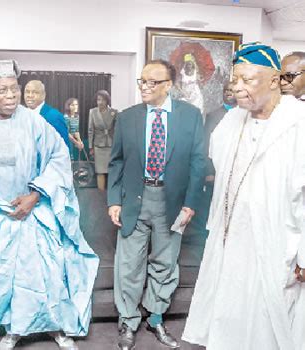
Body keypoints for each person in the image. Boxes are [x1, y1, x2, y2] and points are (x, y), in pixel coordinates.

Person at [0, 60, 99, 350]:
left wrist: (35, 196)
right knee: (3, 279)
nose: (12, 96)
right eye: (3, 90)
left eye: (15, 89)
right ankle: (14, 330)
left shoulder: (34, 121)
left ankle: (57, 327)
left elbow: (58, 158)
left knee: (48, 273)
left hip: (33, 211)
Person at [183, 42, 305, 350]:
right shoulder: (231, 120)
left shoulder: (298, 123)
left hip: (280, 243)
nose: (237, 88)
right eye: (234, 80)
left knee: (272, 321)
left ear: (275, 80)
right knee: (230, 315)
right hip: (233, 239)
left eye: (246, 80)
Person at [107, 59, 205, 350]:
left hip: (172, 202)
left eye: (152, 82)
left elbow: (198, 162)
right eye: (142, 81)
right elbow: (117, 162)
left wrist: (190, 204)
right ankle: (128, 321)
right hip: (134, 200)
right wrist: (114, 201)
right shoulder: (127, 117)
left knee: (165, 263)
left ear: (169, 85)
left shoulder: (190, 116)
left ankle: (156, 317)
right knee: (128, 265)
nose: (145, 87)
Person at [201, 81, 236, 224]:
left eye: (232, 91)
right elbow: (206, 145)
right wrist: (209, 172)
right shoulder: (213, 115)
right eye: (226, 90)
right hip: (216, 172)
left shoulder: (246, 114)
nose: (228, 93)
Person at [23, 79, 70, 146]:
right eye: (27, 92)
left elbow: (64, 147)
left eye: (35, 92)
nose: (30, 95)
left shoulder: (54, 116)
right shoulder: (20, 115)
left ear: (43, 95)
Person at [88, 90, 117, 191]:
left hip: (111, 145)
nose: (100, 102)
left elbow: (117, 130)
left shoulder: (114, 112)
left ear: (107, 101)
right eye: (98, 100)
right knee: (100, 171)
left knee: (111, 170)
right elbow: (90, 130)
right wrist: (90, 147)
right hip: (98, 146)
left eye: (103, 100)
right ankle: (100, 195)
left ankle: (111, 194)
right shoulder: (93, 112)